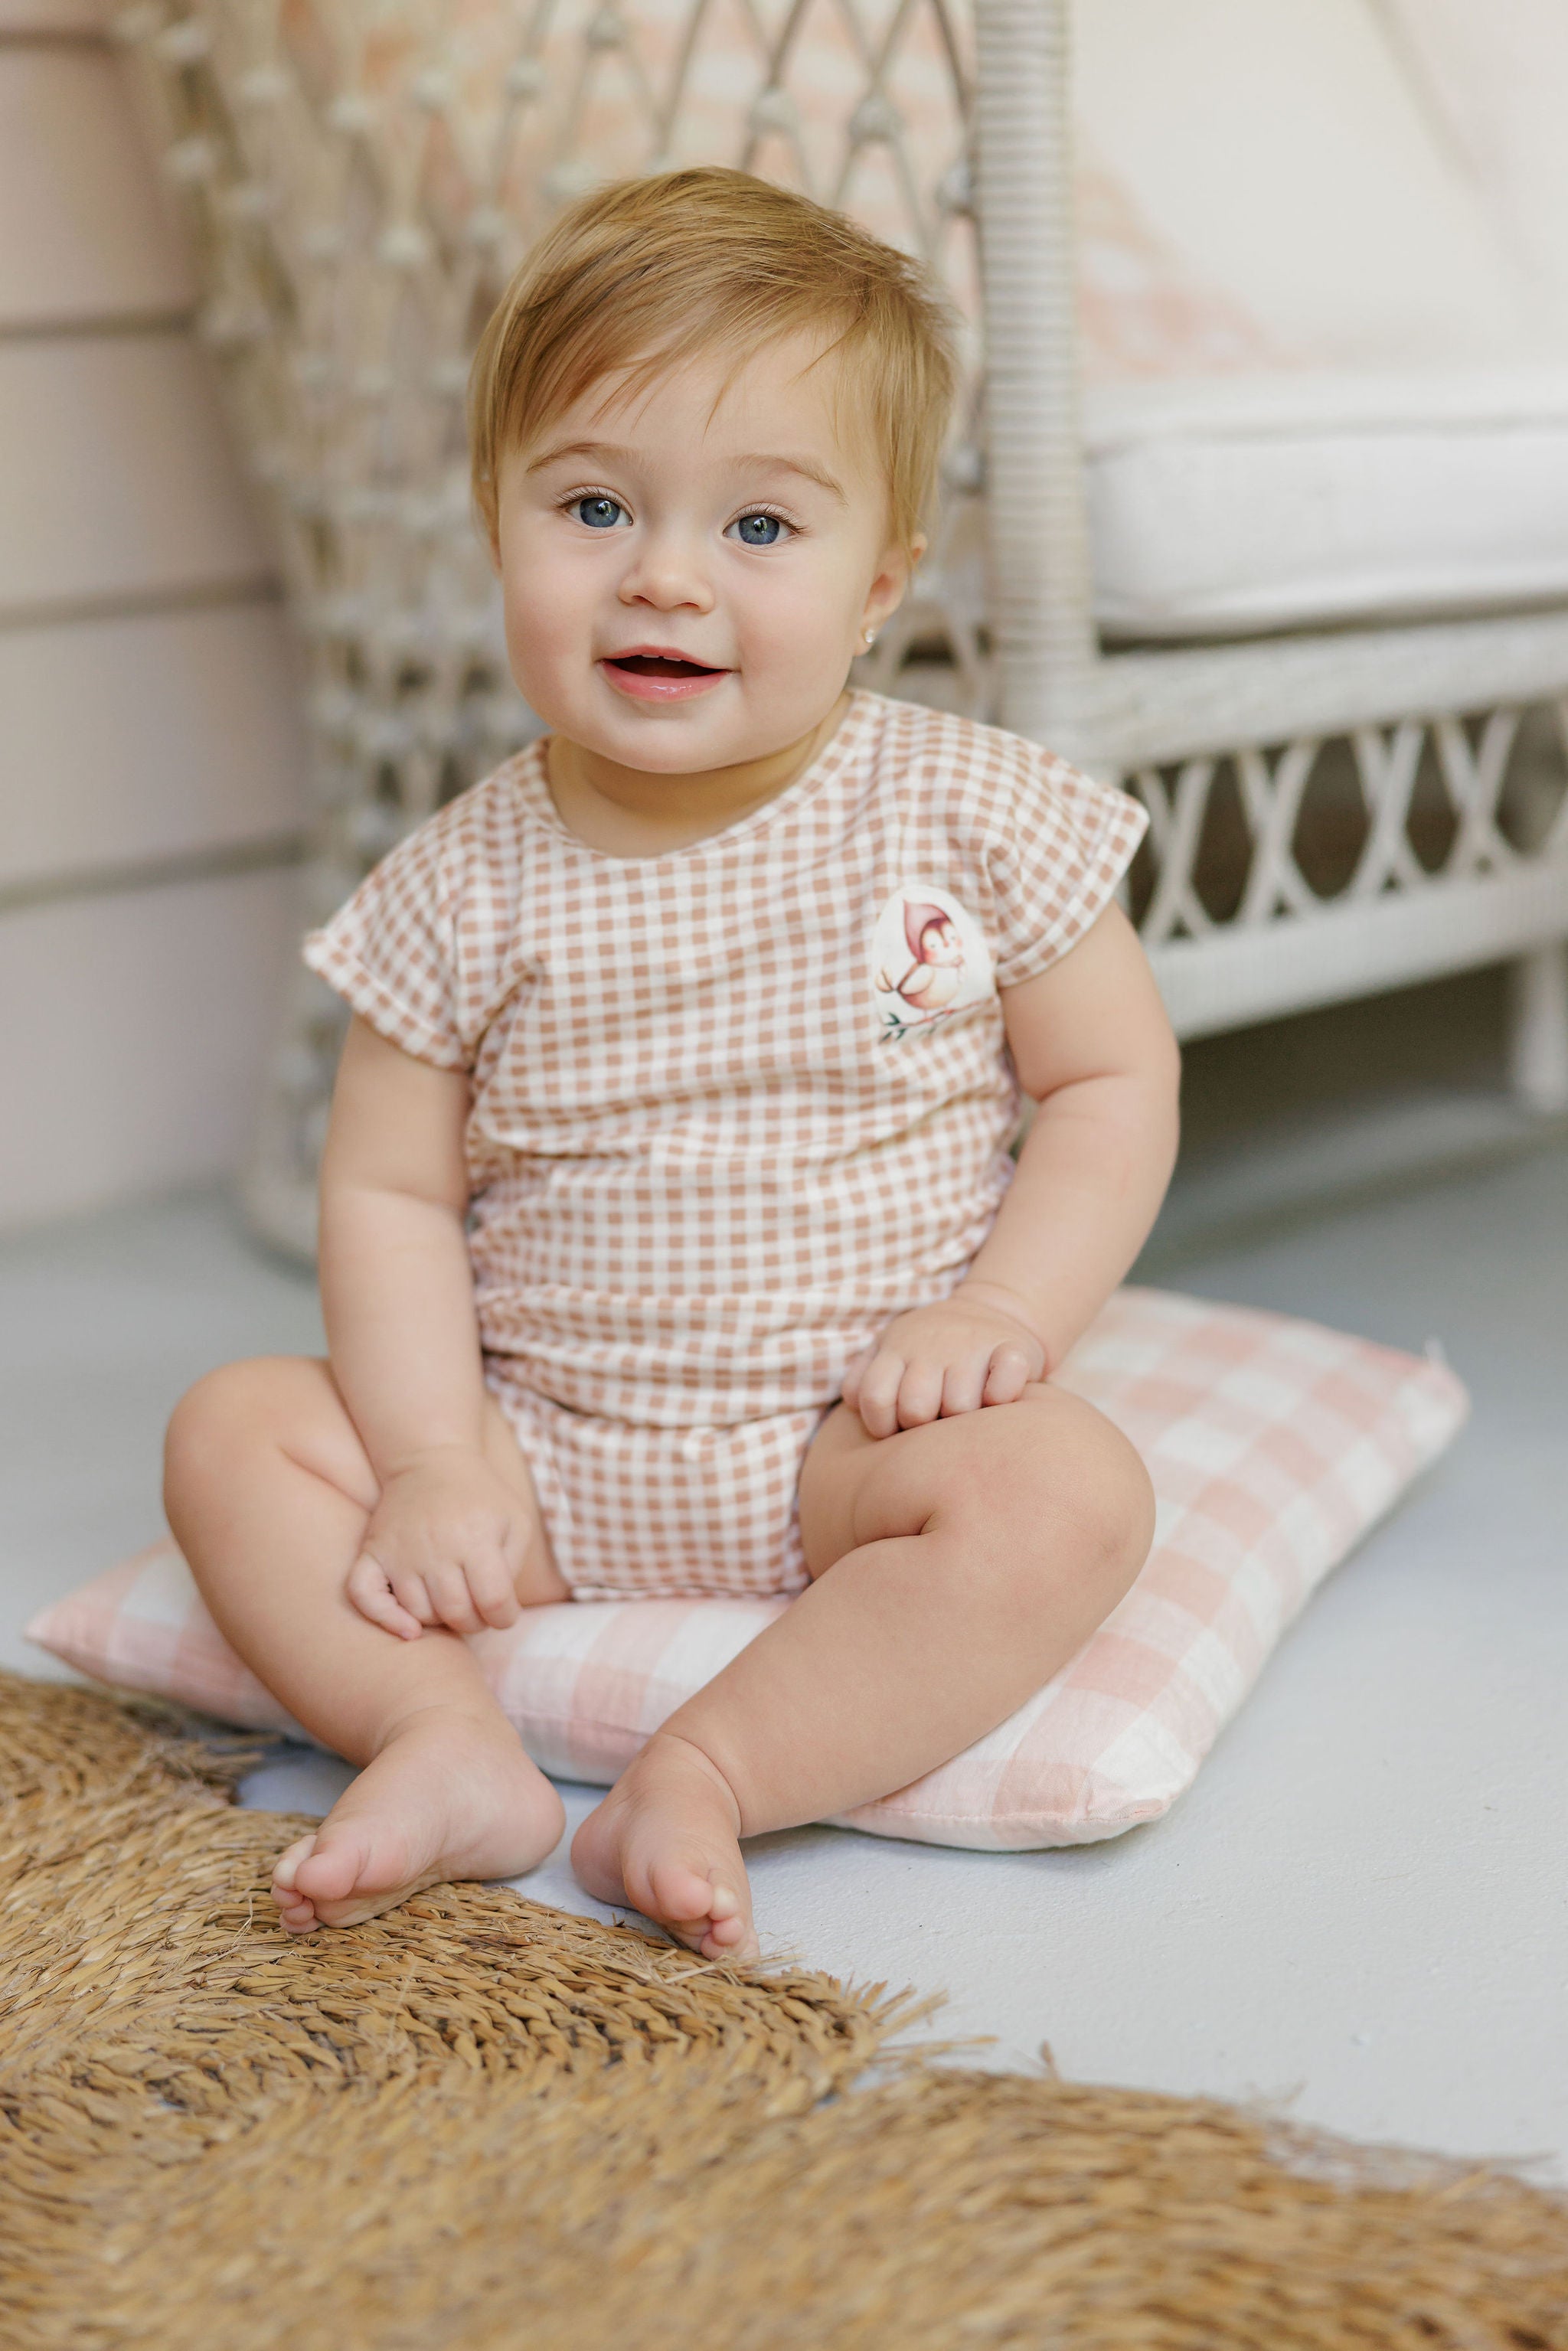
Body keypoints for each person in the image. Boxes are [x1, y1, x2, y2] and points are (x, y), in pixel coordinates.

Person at [164, 168, 1180, 1961]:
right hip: (535, 1449)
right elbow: (388, 1192)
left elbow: (1108, 1084)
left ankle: (707, 1772)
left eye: (760, 528)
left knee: (1069, 1497)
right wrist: (431, 1461)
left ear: (877, 586)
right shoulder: (460, 882)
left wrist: (1002, 1310)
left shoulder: (964, 811)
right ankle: (436, 1737)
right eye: (592, 505)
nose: (662, 574)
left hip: (850, 1439)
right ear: (497, 522)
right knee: (234, 1434)